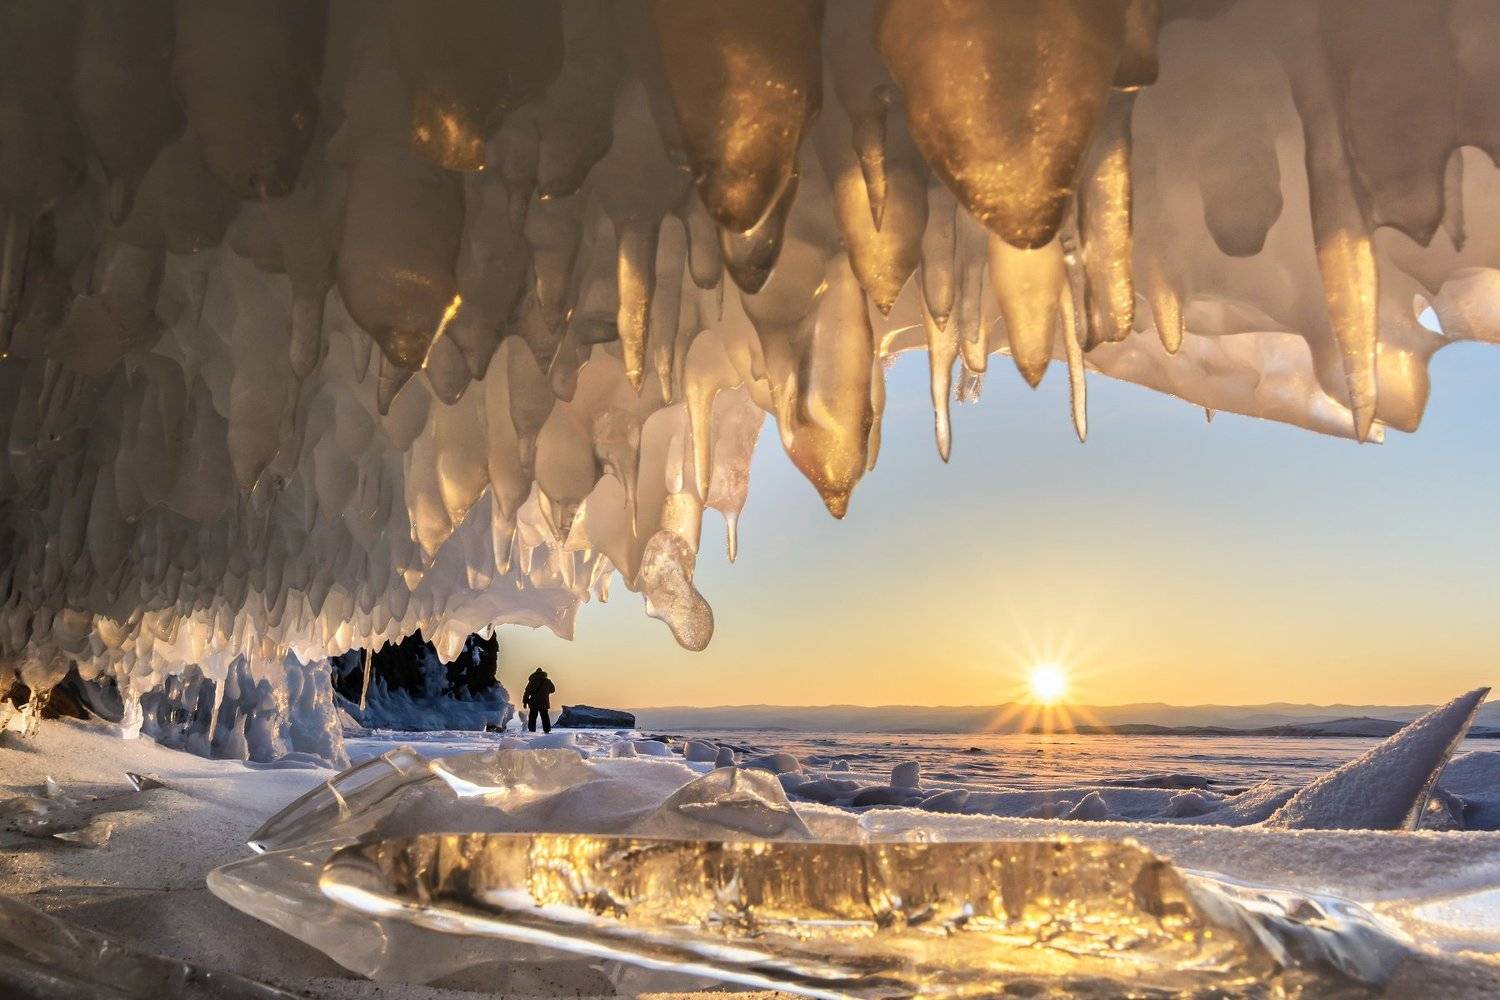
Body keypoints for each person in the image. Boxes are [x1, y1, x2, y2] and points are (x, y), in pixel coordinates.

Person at [521, 667, 555, 734]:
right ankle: (547, 730)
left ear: (535, 673)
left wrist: (525, 702)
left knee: (533, 717)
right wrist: (545, 692)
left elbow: (527, 692)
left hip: (534, 702)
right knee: (545, 717)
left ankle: (531, 731)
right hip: (544, 702)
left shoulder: (532, 681)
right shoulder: (547, 681)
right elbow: (553, 690)